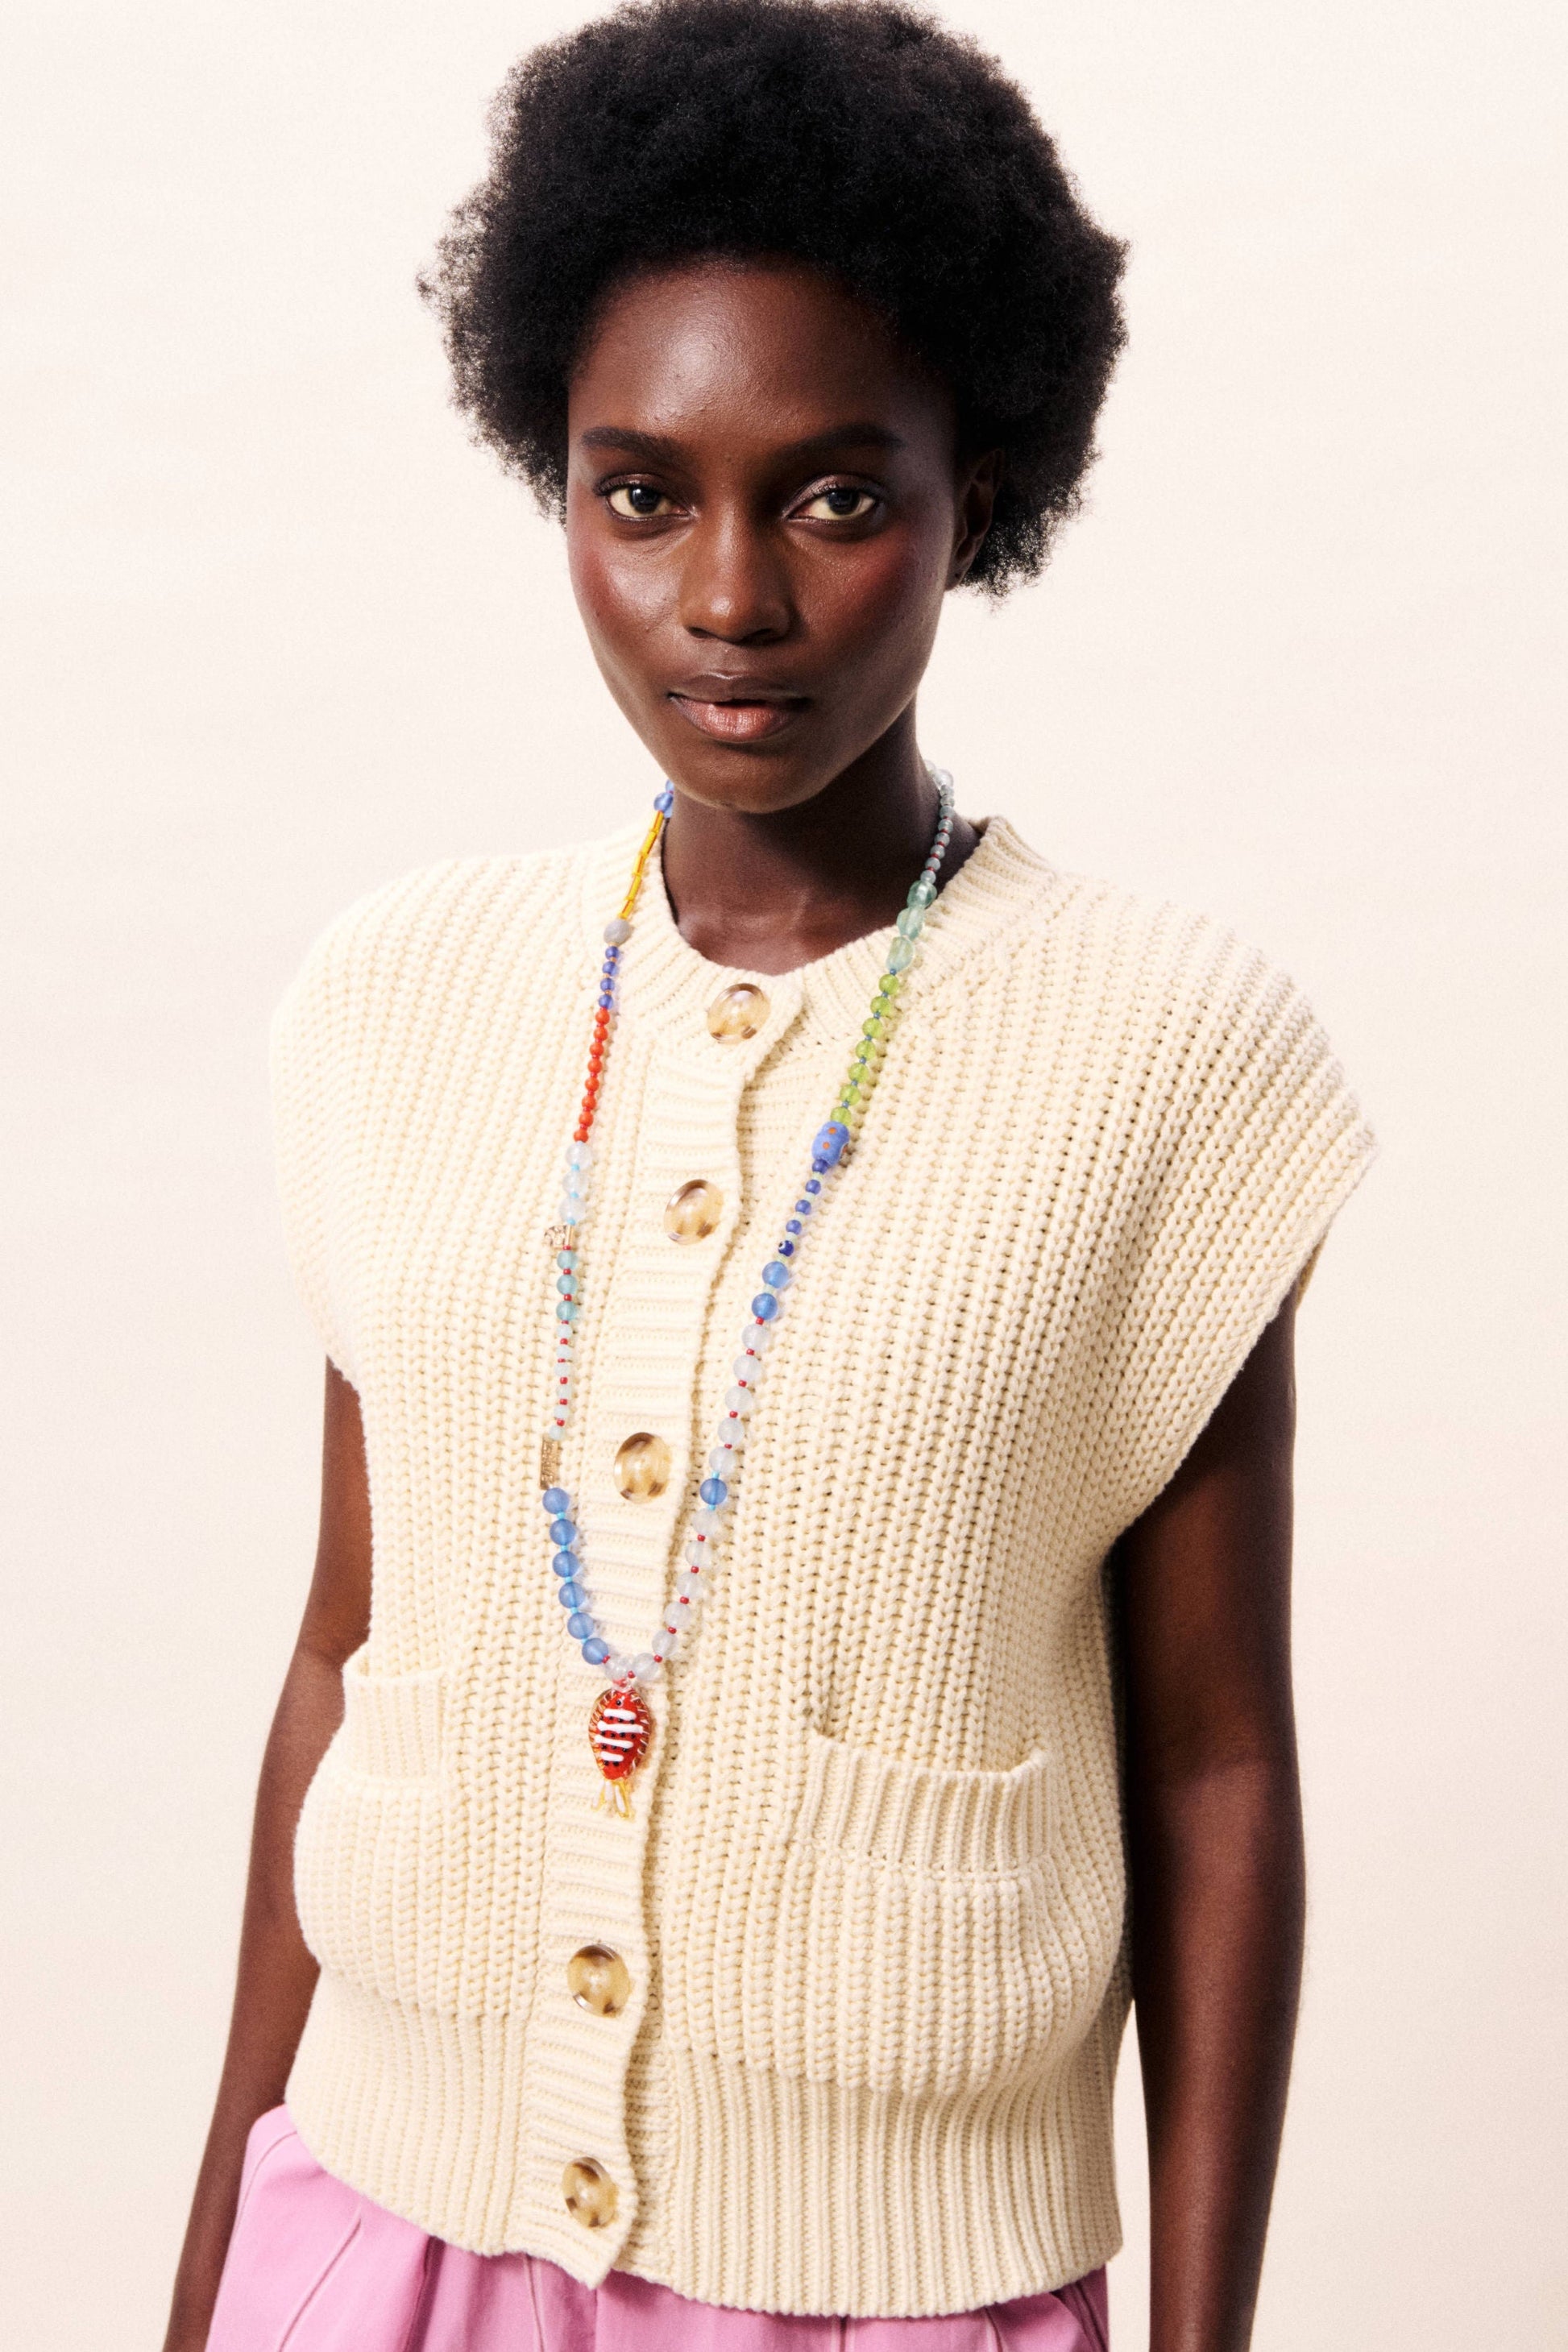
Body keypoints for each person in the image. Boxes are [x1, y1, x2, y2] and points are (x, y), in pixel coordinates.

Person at [164, 2, 1374, 2346]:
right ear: (557, 477)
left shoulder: (1167, 1058)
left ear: (978, 489)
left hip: (887, 2296)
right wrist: (209, 2269)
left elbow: (1214, 1764)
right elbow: (344, 1653)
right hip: (378, 2242)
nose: (727, 596)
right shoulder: (394, 1003)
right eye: (641, 491)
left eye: (834, 493)